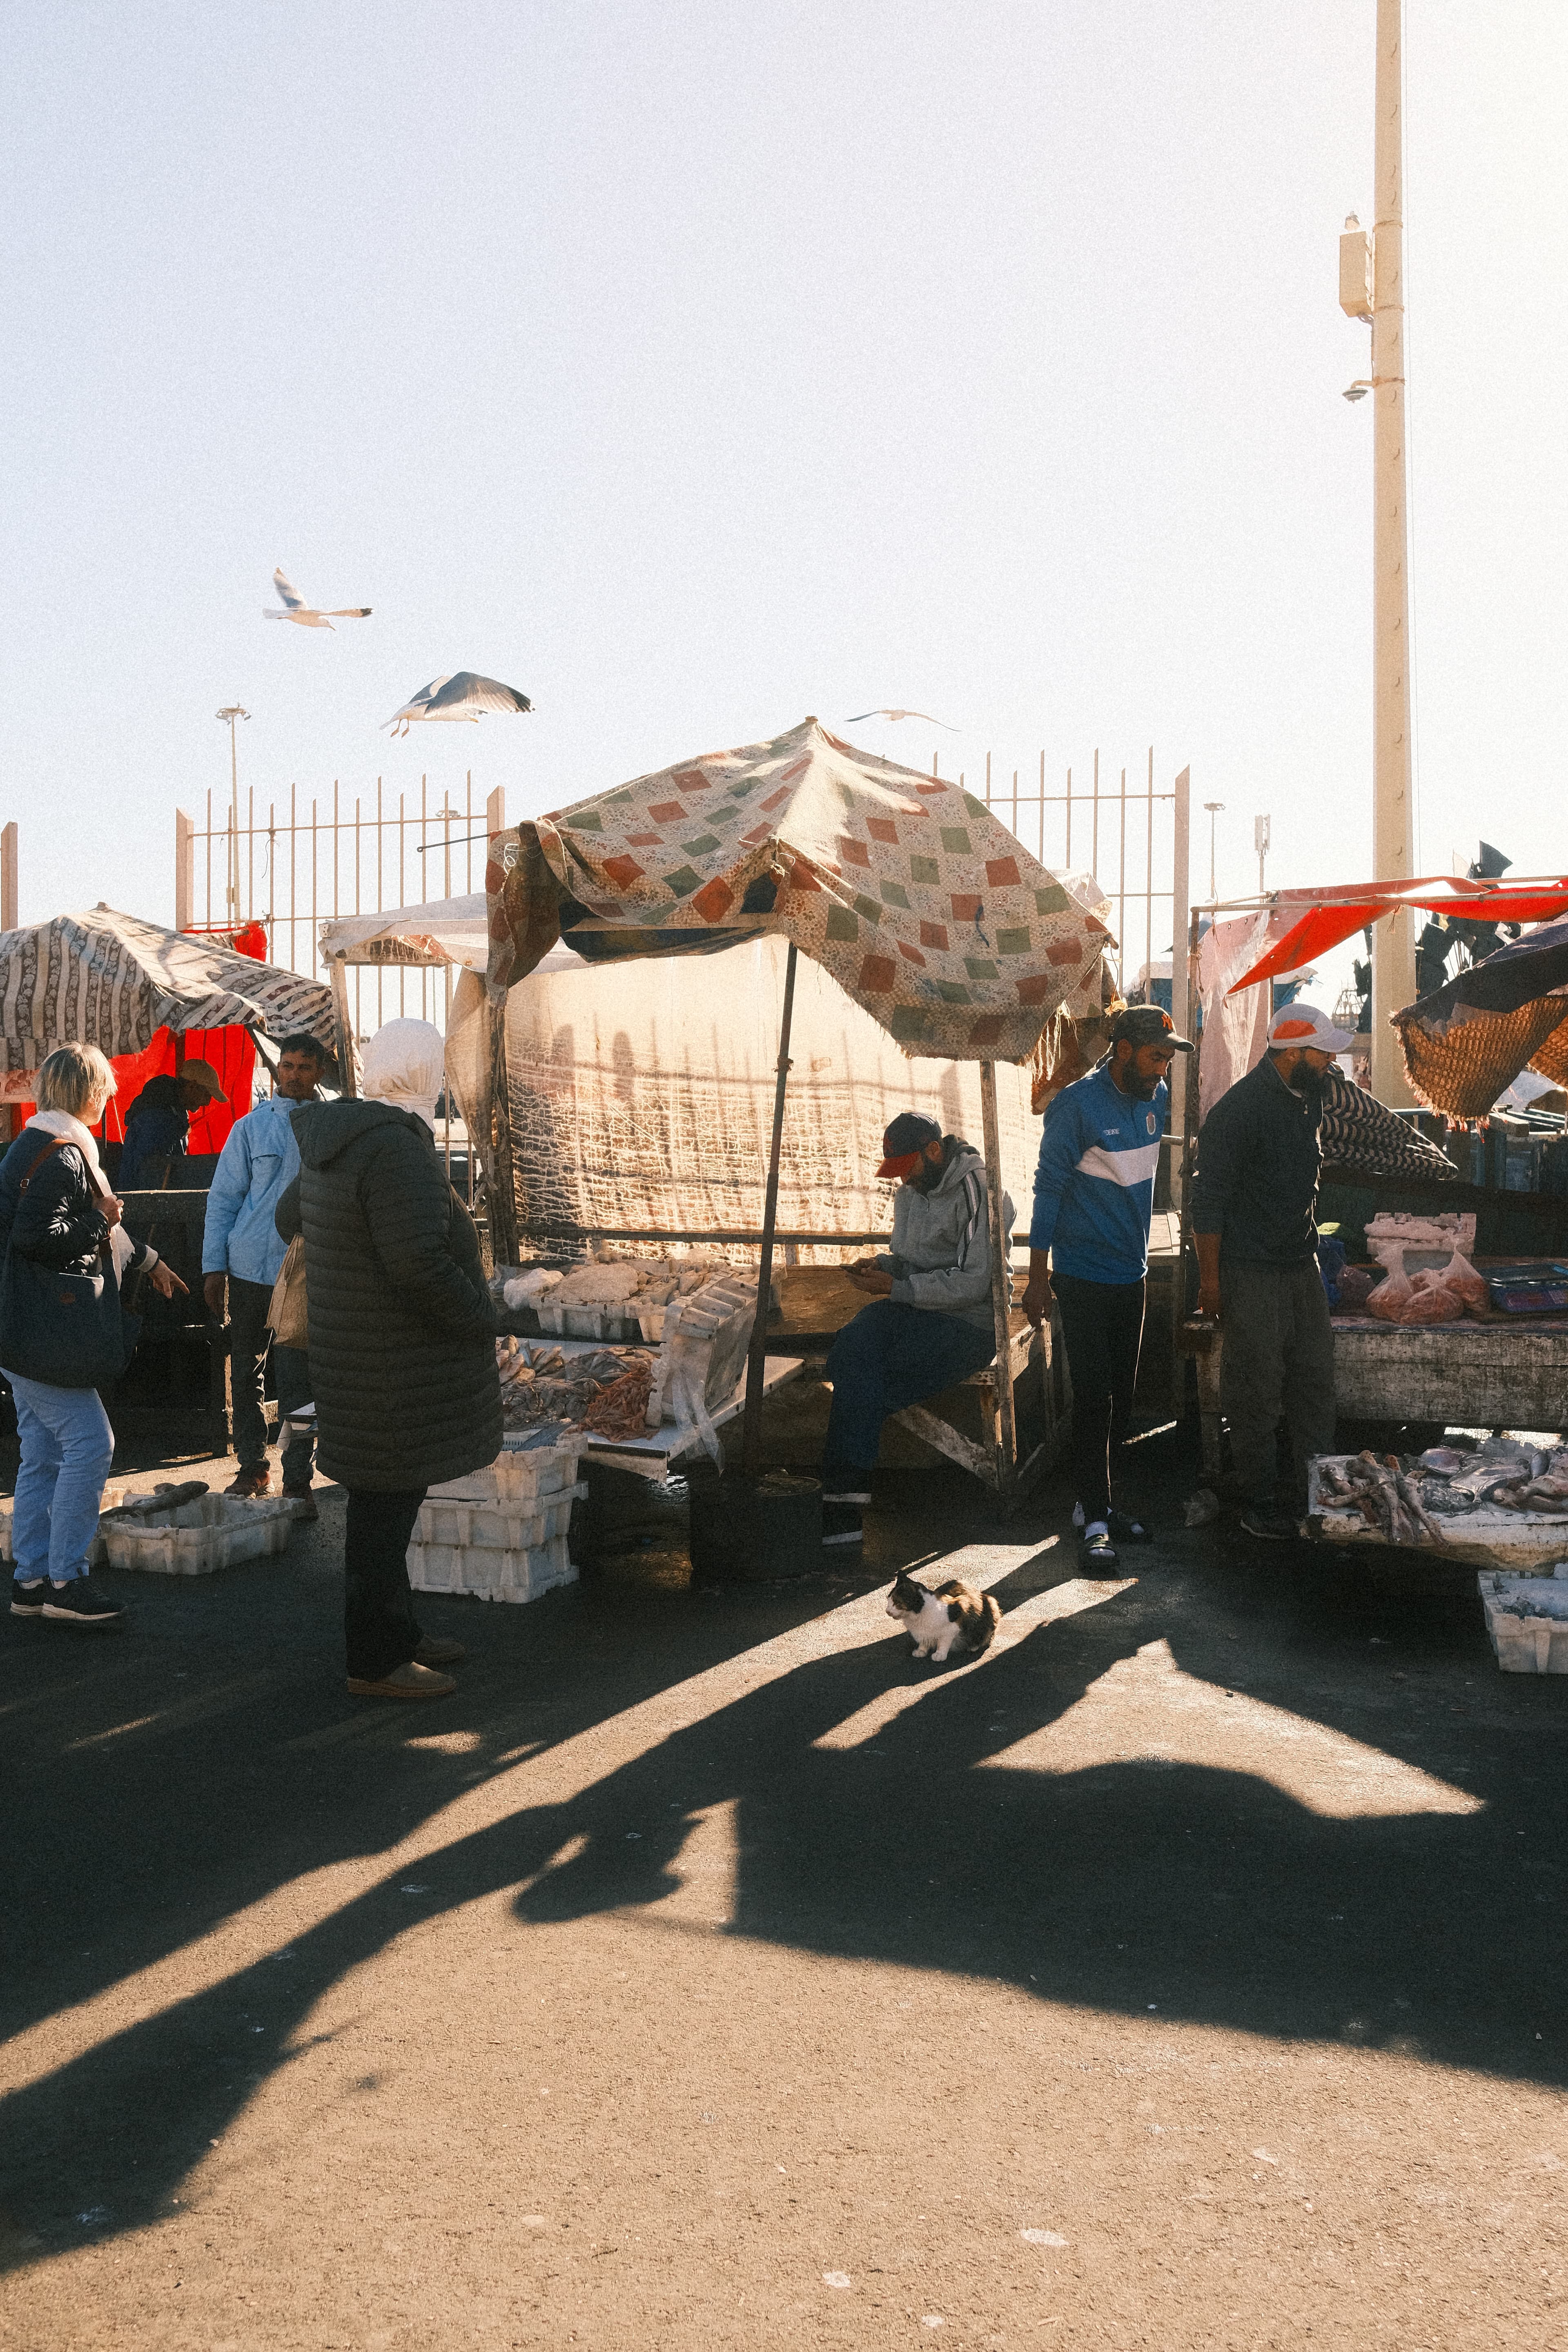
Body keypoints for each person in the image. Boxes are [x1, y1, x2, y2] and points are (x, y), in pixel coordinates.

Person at [275, 1018, 499, 1699]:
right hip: (392, 1364)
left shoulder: (340, 1139)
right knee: (381, 1517)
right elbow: (417, 1263)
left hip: (356, 1357)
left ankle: (398, 1634)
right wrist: (479, 1315)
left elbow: (290, 1218)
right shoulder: (393, 1148)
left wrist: (348, 1264)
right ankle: (375, 1662)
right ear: (426, 1075)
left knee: (386, 1508)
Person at [2, 1044, 187, 1628]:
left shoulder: (33, 1143)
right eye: (105, 1087)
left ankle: (32, 1580)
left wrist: (147, 1259)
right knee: (91, 1445)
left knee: (42, 1455)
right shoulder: (65, 1155)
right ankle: (66, 1581)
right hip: (45, 1332)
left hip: (19, 1327)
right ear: (88, 1092)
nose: (110, 1097)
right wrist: (100, 1219)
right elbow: (40, 1236)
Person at [1021, 1003, 1191, 1567]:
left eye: (1168, 1059)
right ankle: (1095, 1522)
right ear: (1123, 1051)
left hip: (1131, 1275)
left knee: (1123, 1399)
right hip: (1082, 1276)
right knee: (1094, 1398)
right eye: (1155, 1057)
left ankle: (1099, 1505)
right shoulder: (1075, 1107)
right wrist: (1039, 1278)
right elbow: (1047, 1191)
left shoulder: (1154, 1099)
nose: (1163, 1069)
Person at [1189, 1000, 1355, 1541]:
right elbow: (1207, 1205)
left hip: (1302, 1263)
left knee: (1315, 1383)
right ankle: (1258, 1502)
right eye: (1322, 1053)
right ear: (1292, 1053)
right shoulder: (1238, 1112)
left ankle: (1321, 1496)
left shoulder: (1310, 1096)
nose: (1331, 1061)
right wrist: (1211, 1284)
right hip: (1252, 1270)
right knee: (1256, 1391)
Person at [820, 1111, 1013, 1548]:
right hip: (914, 1306)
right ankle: (845, 1498)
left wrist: (897, 1287)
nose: (904, 1179)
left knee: (868, 1377)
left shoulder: (980, 1188)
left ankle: (841, 1507)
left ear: (934, 1150)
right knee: (850, 1348)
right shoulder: (911, 1191)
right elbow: (909, 1260)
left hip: (968, 1322)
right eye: (897, 1171)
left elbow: (973, 1283)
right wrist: (883, 1267)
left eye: (908, 1168)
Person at [202, 1033, 328, 1503]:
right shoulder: (250, 1128)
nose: (293, 1075)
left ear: (319, 1072)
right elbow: (223, 1200)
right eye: (287, 1065)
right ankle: (253, 1466)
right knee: (246, 1372)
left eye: (304, 1067)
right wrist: (213, 1267)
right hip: (250, 1266)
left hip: (305, 1272)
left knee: (299, 1380)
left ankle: (298, 1478)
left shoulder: (332, 1126)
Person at [116, 1058, 227, 1189]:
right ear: (192, 1087)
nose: (207, 1103)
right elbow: (150, 1170)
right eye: (207, 1095)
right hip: (139, 1196)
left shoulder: (177, 1114)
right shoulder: (154, 1117)